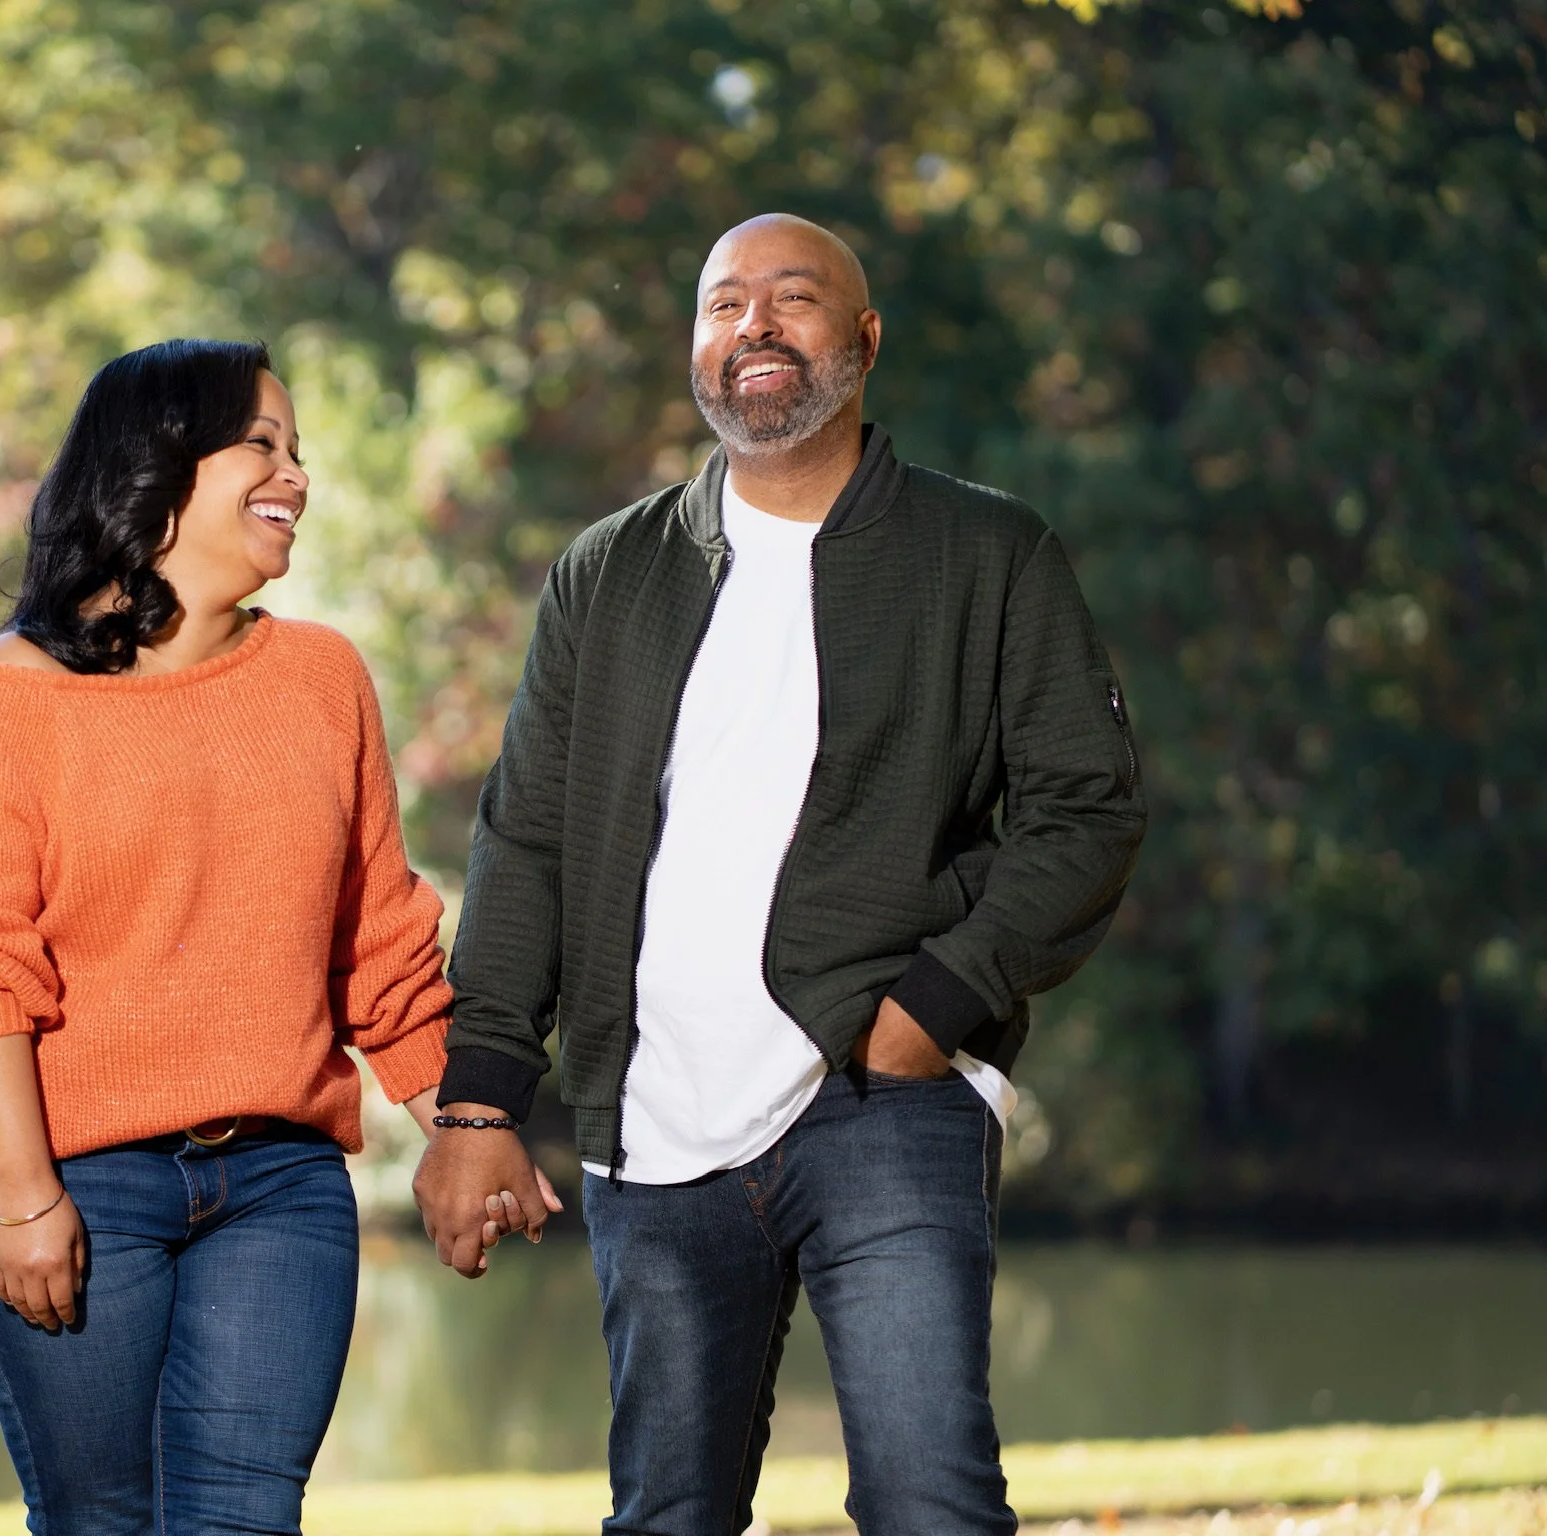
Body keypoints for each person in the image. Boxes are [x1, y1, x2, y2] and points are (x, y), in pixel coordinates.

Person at [413, 215, 1149, 1535]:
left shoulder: (986, 554)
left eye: (792, 300)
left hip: (884, 1104)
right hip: (650, 1122)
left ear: (863, 343)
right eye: (721, 303)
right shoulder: (610, 573)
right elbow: (523, 846)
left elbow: (1085, 814)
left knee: (932, 1503)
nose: (751, 326)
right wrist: (478, 1105)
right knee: (668, 1517)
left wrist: (937, 1006)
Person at [0, 338, 535, 1535]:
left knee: (243, 1521)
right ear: (158, 468)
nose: (296, 474)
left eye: (300, 452)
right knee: (105, 1522)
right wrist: (26, 1197)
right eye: (263, 445)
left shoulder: (322, 678)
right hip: (66, 1173)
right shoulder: (7, 695)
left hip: (279, 1184)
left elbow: (379, 946)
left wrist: (467, 1128)